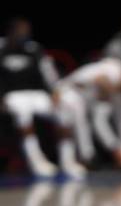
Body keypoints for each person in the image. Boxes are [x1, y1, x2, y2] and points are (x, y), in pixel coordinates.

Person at [0, 17, 85, 180]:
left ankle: (68, 161)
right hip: (11, 95)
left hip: (36, 93)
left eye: (26, 31)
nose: (23, 34)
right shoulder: (1, 48)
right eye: (20, 30)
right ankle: (37, 161)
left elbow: (48, 73)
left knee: (64, 111)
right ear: (11, 31)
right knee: (22, 111)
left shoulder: (34, 49)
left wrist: (54, 91)